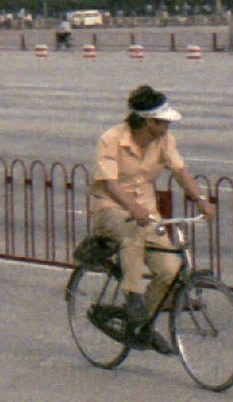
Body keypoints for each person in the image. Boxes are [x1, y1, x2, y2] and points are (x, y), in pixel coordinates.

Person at [87, 85, 204, 327]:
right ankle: (132, 297)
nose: (167, 127)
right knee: (133, 233)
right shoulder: (111, 140)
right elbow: (110, 184)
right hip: (111, 209)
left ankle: (140, 325)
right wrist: (133, 208)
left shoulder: (164, 140)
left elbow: (180, 171)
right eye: (163, 122)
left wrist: (200, 200)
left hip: (147, 214)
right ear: (149, 122)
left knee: (170, 271)